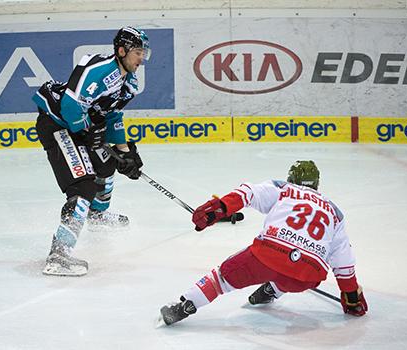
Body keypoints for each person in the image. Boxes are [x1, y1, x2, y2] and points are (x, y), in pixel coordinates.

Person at [159, 160, 368, 325]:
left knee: (221, 278)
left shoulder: (284, 188)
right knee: (290, 271)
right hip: (307, 275)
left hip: (267, 256)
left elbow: (249, 193)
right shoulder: (335, 212)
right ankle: (272, 290)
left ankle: (184, 305)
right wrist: (351, 297)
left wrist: (222, 207)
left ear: (291, 177)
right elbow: (344, 263)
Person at [32, 26, 150, 276]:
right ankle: (58, 255)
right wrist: (86, 132)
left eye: (144, 53)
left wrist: (124, 151)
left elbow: (113, 116)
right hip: (58, 125)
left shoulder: (128, 82)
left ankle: (95, 216)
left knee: (107, 165)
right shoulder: (99, 69)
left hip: (81, 128)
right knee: (83, 186)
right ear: (121, 50)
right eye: (138, 52)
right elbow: (71, 106)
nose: (142, 58)